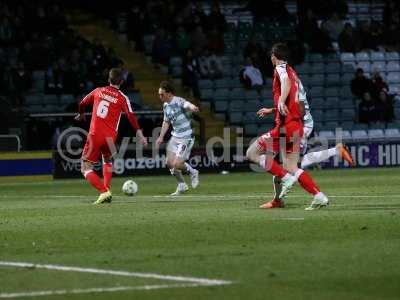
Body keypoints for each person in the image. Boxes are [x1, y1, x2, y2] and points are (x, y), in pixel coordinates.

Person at [246, 43, 329, 211]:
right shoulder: (294, 73)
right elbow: (296, 100)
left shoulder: (281, 69)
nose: (270, 58)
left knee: (252, 153)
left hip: (284, 127)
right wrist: (275, 108)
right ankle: (319, 196)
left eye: (271, 55)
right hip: (296, 125)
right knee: (291, 167)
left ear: (274, 57)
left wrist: (281, 100)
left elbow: (284, 83)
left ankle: (285, 179)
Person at [256, 76, 355, 208]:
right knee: (287, 169)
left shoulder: (292, 83)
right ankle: (278, 200)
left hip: (300, 126)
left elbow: (300, 109)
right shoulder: (291, 81)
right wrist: (274, 110)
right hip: (298, 125)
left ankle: (283, 200)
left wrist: (278, 112)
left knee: (290, 168)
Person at [75, 68, 147, 204]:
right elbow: (131, 116)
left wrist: (82, 113)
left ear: (108, 79)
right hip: (110, 138)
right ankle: (107, 189)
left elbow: (82, 103)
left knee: (85, 168)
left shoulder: (98, 91)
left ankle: (104, 191)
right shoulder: (122, 98)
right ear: (122, 81)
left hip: (95, 135)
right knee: (107, 160)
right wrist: (139, 133)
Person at [156, 81, 200, 196]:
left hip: (186, 136)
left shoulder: (177, 101)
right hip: (175, 136)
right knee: (169, 163)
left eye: (162, 94)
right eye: (159, 94)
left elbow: (186, 104)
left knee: (177, 164)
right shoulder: (165, 105)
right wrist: (160, 137)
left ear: (169, 93)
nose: (160, 96)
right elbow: (166, 122)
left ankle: (193, 172)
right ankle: (182, 185)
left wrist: (193, 107)